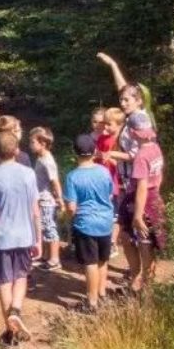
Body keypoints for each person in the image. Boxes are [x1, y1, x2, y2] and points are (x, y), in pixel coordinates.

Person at [0, 130, 42, 349]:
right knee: (21, 277)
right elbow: (36, 209)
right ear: (16, 150)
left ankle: (10, 332)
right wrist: (39, 239)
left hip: (1, 238)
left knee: (4, 283)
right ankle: (16, 310)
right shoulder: (28, 174)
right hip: (25, 235)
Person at [61, 133, 117, 312]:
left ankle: (91, 303)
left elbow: (71, 207)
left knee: (90, 263)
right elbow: (109, 194)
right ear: (94, 151)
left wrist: (70, 219)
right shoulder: (104, 171)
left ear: (74, 152)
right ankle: (101, 294)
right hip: (106, 221)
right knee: (103, 260)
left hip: (86, 224)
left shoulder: (72, 177)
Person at [124, 124, 168, 298]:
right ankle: (146, 283)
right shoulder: (155, 148)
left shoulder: (141, 156)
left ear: (133, 133)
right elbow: (160, 174)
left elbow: (141, 186)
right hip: (154, 197)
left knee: (145, 242)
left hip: (144, 202)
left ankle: (145, 288)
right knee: (149, 241)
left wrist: (137, 215)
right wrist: (157, 190)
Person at [29, 127, 63, 271]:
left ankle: (55, 259)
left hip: (47, 200)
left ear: (42, 143)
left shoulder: (47, 160)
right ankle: (46, 256)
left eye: (32, 142)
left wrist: (59, 199)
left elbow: (54, 180)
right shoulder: (41, 158)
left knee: (50, 228)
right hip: (41, 199)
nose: (30, 145)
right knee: (43, 226)